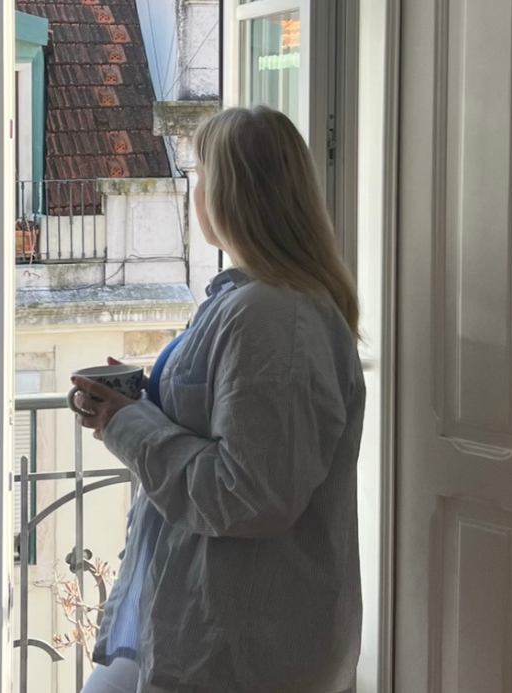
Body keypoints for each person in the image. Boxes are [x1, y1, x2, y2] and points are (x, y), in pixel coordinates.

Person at [72, 105, 366, 693]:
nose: (196, 189)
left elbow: (250, 495)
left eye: (201, 172)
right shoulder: (259, 303)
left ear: (231, 191)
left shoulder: (272, 317)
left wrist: (129, 425)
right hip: (220, 624)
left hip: (241, 641)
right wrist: (139, 401)